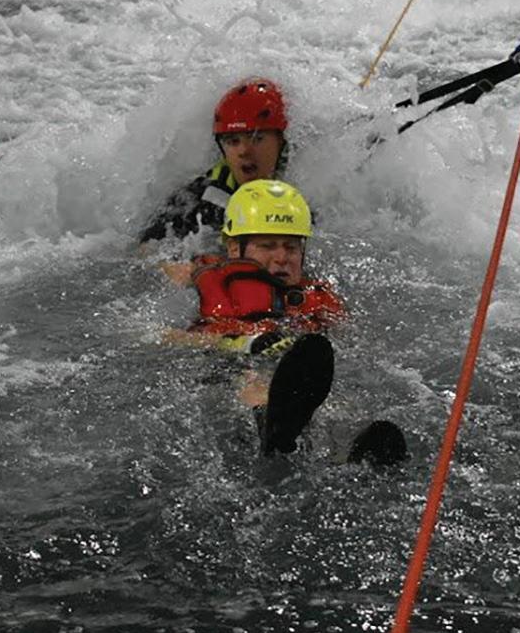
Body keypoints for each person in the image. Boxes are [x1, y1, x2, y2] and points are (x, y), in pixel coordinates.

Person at [165, 179, 406, 466]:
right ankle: (270, 424)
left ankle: (350, 447)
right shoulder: (201, 283)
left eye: (291, 247)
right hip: (227, 364)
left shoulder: (316, 297)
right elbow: (157, 335)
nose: (281, 258)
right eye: (267, 246)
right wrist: (240, 343)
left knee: (337, 400)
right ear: (234, 248)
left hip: (293, 370)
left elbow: (352, 344)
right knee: (253, 380)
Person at [139, 77, 290, 246]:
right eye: (233, 141)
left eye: (256, 138)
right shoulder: (198, 199)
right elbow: (146, 249)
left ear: (281, 142)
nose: (244, 151)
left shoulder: (306, 191)